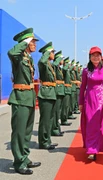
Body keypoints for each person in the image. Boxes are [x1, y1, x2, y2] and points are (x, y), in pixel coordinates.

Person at [7, 28, 41, 175]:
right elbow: (11, 52)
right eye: (32, 41)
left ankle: (25, 158)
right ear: (25, 43)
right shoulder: (17, 56)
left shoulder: (28, 58)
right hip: (20, 98)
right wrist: (25, 42)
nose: (35, 44)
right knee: (19, 132)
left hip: (29, 97)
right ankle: (19, 162)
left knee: (27, 132)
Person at [79, 46, 103, 160]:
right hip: (90, 100)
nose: (96, 57)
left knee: (99, 125)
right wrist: (81, 102)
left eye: (98, 55)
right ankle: (91, 149)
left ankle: (98, 146)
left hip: (102, 101)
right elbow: (83, 87)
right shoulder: (86, 71)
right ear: (90, 57)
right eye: (93, 55)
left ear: (101, 56)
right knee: (90, 124)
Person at [37, 42, 58, 150]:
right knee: (45, 120)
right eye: (52, 52)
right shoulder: (43, 63)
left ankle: (47, 140)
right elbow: (42, 61)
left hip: (51, 93)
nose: (54, 54)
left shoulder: (49, 64)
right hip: (45, 94)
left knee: (49, 119)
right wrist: (46, 53)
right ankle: (43, 142)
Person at [51, 51, 65, 136]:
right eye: (61, 59)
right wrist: (58, 58)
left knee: (58, 111)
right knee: (55, 112)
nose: (62, 61)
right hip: (56, 91)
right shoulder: (54, 66)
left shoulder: (59, 68)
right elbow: (54, 64)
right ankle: (54, 128)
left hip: (60, 91)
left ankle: (57, 127)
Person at [60, 57, 72, 126]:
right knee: (64, 106)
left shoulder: (67, 70)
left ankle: (65, 118)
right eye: (68, 63)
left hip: (69, 89)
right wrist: (67, 64)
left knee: (67, 105)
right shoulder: (64, 69)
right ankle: (63, 119)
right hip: (66, 89)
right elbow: (64, 68)